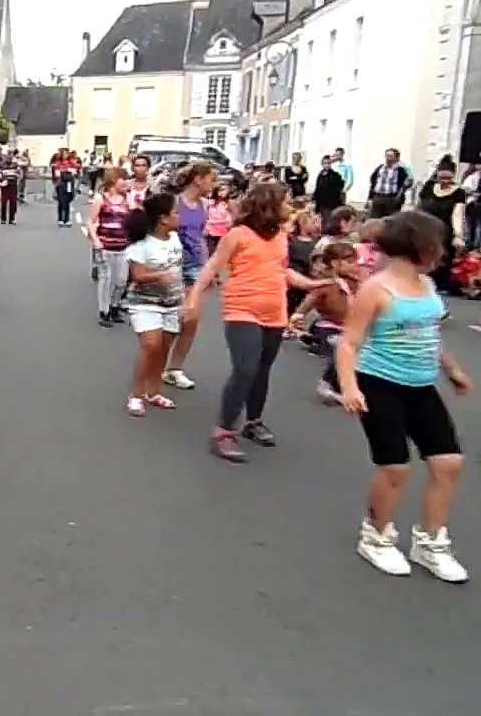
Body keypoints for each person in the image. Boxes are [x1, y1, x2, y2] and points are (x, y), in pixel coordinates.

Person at [336, 210, 470, 583]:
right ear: (420, 246)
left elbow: (429, 334)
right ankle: (376, 536)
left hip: (421, 386)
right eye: (438, 244)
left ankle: (430, 542)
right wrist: (349, 386)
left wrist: (452, 370)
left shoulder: (426, 285)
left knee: (448, 463)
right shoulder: (376, 289)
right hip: (379, 383)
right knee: (395, 466)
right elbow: (348, 343)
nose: (443, 252)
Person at [186, 183, 327, 463]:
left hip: (274, 310)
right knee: (245, 369)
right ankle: (223, 432)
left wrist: (315, 284)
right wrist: (193, 298)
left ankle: (253, 421)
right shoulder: (238, 234)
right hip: (242, 309)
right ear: (269, 206)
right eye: (285, 202)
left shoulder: (281, 236)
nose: (290, 207)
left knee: (262, 369)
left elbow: (282, 271)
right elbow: (212, 267)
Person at [122, 192, 183, 416]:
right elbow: (137, 275)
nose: (179, 216)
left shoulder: (175, 238)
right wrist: (159, 276)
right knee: (151, 346)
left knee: (164, 348)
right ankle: (136, 395)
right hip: (145, 302)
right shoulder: (142, 244)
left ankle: (154, 391)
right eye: (175, 212)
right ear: (163, 218)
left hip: (172, 302)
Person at [163, 163, 217, 391]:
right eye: (211, 179)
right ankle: (157, 364)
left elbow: (201, 237)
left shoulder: (204, 205)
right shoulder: (175, 203)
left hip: (195, 266)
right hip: (174, 264)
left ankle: (174, 368)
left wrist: (208, 267)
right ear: (198, 179)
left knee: (191, 321)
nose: (213, 185)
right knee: (172, 321)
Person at [290, 241, 358, 404]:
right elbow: (307, 304)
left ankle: (315, 342)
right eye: (349, 262)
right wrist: (296, 318)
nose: (353, 265)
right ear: (334, 263)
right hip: (329, 326)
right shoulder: (325, 285)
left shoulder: (355, 281)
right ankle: (327, 382)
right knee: (342, 346)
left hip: (350, 327)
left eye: (354, 261)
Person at [87, 168, 131, 327]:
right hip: (105, 245)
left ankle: (115, 306)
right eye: (122, 179)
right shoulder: (101, 199)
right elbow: (90, 222)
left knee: (122, 280)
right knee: (105, 279)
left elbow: (133, 217)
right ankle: (104, 311)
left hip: (123, 245)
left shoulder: (127, 199)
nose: (125, 182)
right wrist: (95, 239)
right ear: (113, 180)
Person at [417, 165, 468, 292]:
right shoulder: (428, 187)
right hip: (425, 227)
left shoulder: (459, 192)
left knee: (441, 257)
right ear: (437, 175)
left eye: (448, 178)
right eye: (442, 177)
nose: (445, 181)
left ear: (453, 176)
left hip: (444, 230)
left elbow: (458, 213)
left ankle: (440, 285)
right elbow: (419, 206)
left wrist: (458, 235)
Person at [368, 148, 412, 218]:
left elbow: (408, 182)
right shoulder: (380, 168)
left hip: (392, 199)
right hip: (378, 198)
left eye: (390, 156)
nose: (388, 158)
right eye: (386, 155)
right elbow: (373, 182)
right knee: (374, 219)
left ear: (397, 158)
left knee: (390, 221)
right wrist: (370, 198)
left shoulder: (401, 169)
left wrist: (399, 196)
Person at [51, 149, 80, 227]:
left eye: (67, 154)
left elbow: (74, 172)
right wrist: (67, 171)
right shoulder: (58, 162)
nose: (65, 155)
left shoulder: (71, 162)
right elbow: (57, 173)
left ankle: (67, 219)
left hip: (69, 183)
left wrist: (65, 170)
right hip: (61, 183)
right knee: (61, 201)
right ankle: (60, 219)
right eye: (64, 154)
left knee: (67, 200)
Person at [0, 153, 21, 225]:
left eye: (10, 158)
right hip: (5, 186)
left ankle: (12, 219)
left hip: (13, 185)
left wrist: (18, 180)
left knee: (13, 202)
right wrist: (1, 181)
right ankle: (3, 218)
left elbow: (19, 174)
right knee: (4, 202)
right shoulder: (0, 165)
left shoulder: (15, 165)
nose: (8, 159)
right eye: (7, 158)